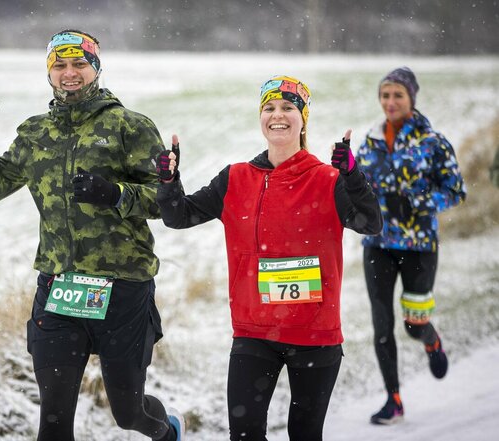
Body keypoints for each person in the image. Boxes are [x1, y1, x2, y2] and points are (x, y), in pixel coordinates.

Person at [0, 29, 184, 441]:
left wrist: (115, 194)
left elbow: (164, 202)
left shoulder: (128, 127)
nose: (69, 73)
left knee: (129, 413)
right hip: (60, 287)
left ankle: (166, 432)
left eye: (79, 63)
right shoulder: (35, 132)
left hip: (123, 287)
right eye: (59, 65)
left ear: (96, 68)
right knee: (54, 423)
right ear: (49, 73)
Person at [156, 75, 382, 441]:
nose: (278, 115)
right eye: (269, 108)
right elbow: (179, 216)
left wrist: (353, 175)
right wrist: (168, 182)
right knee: (244, 434)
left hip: (315, 334)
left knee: (304, 434)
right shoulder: (236, 178)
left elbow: (371, 223)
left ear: (303, 117)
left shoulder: (327, 179)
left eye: (288, 108)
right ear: (260, 117)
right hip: (254, 331)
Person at [355, 67, 466, 425]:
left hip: (419, 245)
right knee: (382, 325)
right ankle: (394, 401)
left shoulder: (432, 142)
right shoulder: (369, 141)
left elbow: (455, 191)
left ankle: (430, 339)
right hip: (377, 244)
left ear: (411, 99)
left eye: (397, 95)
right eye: (385, 95)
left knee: (412, 323)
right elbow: (355, 185)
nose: (390, 102)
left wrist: (419, 200)